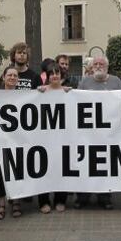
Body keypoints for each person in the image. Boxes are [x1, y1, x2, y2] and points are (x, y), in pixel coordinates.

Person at [75, 55, 121, 210]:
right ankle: (83, 197)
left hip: (109, 133)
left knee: (106, 166)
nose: (98, 66)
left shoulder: (116, 82)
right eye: (95, 64)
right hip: (88, 134)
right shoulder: (84, 82)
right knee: (86, 165)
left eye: (101, 63)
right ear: (91, 67)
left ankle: (105, 197)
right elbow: (75, 102)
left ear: (107, 66)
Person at [37, 64, 71, 213]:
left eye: (57, 73)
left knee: (61, 169)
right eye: (52, 74)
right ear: (48, 76)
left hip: (62, 138)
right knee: (42, 168)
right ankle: (43, 201)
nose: (55, 76)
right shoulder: (40, 92)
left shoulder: (69, 92)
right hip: (44, 139)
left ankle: (60, 200)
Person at [0, 65, 20, 220]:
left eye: (15, 76)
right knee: (0, 170)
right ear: (4, 77)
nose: (12, 78)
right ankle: (1, 202)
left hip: (18, 140)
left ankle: (16, 201)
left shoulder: (24, 96)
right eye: (10, 75)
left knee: (17, 168)